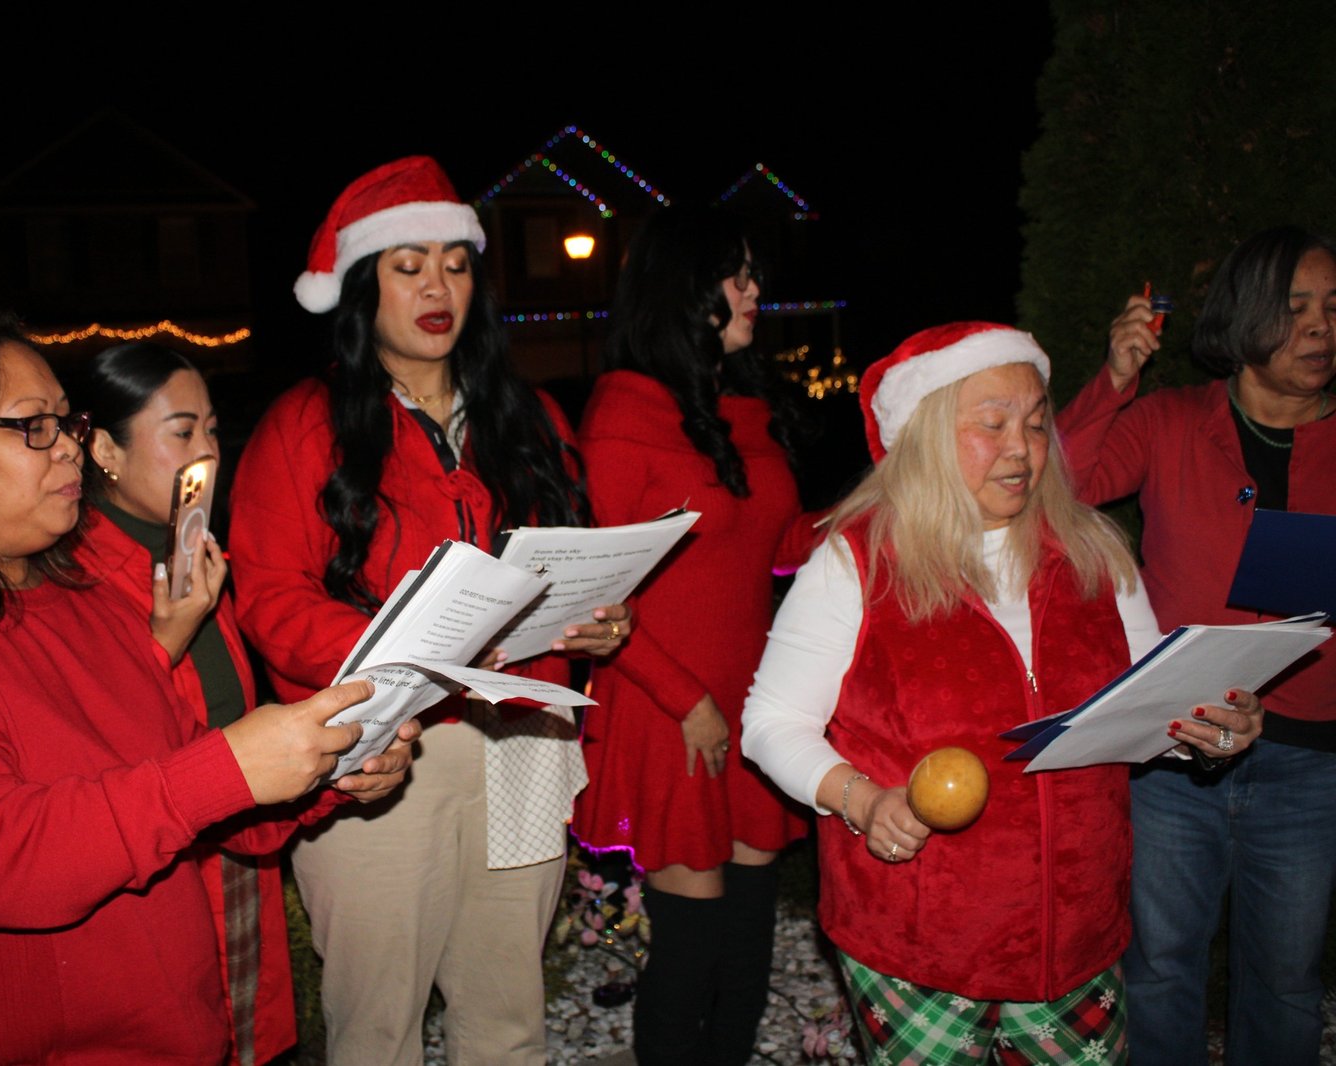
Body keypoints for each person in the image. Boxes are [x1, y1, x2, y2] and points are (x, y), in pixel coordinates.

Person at [0, 313, 416, 1065]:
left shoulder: (89, 604)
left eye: (68, 422)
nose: (70, 447)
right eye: (34, 426)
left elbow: (195, 806)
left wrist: (330, 768)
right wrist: (229, 767)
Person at [742, 322, 1265, 1064]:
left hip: (1077, 936)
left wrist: (1208, 730)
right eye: (992, 425)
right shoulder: (858, 560)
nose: (1021, 448)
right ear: (925, 436)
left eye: (1036, 423)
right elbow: (772, 720)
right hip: (917, 942)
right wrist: (862, 800)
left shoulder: (1091, 552)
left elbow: (1149, 706)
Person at [228, 156, 629, 1066]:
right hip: (383, 749)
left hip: (525, 738)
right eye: (408, 266)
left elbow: (576, 558)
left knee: (508, 1016)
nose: (437, 287)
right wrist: (409, 653)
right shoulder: (305, 424)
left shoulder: (530, 417)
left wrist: (605, 619)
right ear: (362, 287)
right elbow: (271, 599)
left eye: (454, 264)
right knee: (379, 1027)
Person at [1055, 225, 1336, 1064]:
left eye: (1333, 308)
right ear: (1245, 315)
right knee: (1160, 968)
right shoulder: (1172, 420)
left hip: (1309, 762)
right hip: (1175, 751)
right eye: (1296, 308)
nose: (1320, 327)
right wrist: (1115, 379)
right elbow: (1064, 486)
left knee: (1288, 982)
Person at [567, 205, 813, 1065]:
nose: (753, 291)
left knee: (748, 943)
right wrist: (689, 702)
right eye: (733, 277)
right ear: (682, 289)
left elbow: (777, 546)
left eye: (754, 275)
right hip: (669, 705)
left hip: (752, 700)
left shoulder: (743, 408)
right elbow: (592, 596)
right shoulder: (623, 412)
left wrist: (875, 507)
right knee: (692, 945)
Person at [74, 339, 339, 1064]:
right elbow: (104, 739)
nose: (208, 453)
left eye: (214, 430)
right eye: (182, 432)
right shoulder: (77, 575)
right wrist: (164, 639)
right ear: (105, 450)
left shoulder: (189, 551)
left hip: (240, 840)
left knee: (249, 1036)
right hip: (164, 866)